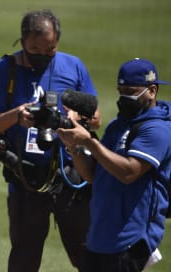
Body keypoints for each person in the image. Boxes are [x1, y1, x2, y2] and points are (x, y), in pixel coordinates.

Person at [0, 9, 102, 272]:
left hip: (72, 178)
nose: (43, 56)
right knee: (24, 259)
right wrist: (16, 115)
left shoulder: (73, 66)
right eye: (35, 49)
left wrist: (75, 117)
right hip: (26, 180)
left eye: (50, 50)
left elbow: (96, 118)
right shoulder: (4, 71)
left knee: (88, 258)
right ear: (22, 41)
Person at [57, 58, 171, 272]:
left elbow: (129, 172)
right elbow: (92, 174)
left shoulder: (157, 130)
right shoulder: (118, 125)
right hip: (100, 236)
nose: (123, 97)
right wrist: (73, 146)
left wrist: (89, 141)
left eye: (130, 90)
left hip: (129, 239)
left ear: (152, 91)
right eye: (120, 91)